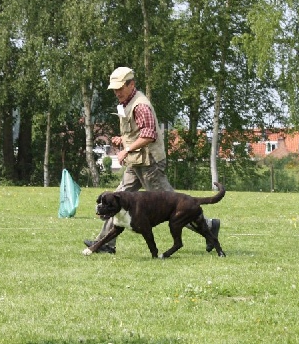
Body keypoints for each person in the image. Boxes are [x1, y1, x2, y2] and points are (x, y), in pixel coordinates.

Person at [84, 67, 221, 254]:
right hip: (136, 161)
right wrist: (123, 140)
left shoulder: (141, 106)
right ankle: (105, 243)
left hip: (150, 164)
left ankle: (208, 225)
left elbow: (149, 135)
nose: (116, 93)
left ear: (131, 84)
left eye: (120, 88)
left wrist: (127, 149)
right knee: (115, 199)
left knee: (175, 205)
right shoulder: (128, 103)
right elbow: (136, 133)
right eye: (114, 89)